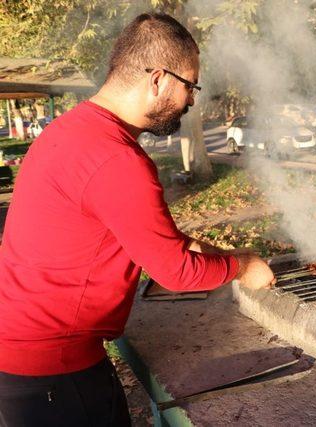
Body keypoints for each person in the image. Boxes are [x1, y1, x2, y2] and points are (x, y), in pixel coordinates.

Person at [0, 13, 275, 426]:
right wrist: (243, 267)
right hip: (54, 372)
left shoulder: (70, 129)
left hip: (26, 359)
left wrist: (223, 251)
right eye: (191, 85)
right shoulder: (117, 158)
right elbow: (176, 271)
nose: (193, 100)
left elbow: (158, 240)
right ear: (159, 79)